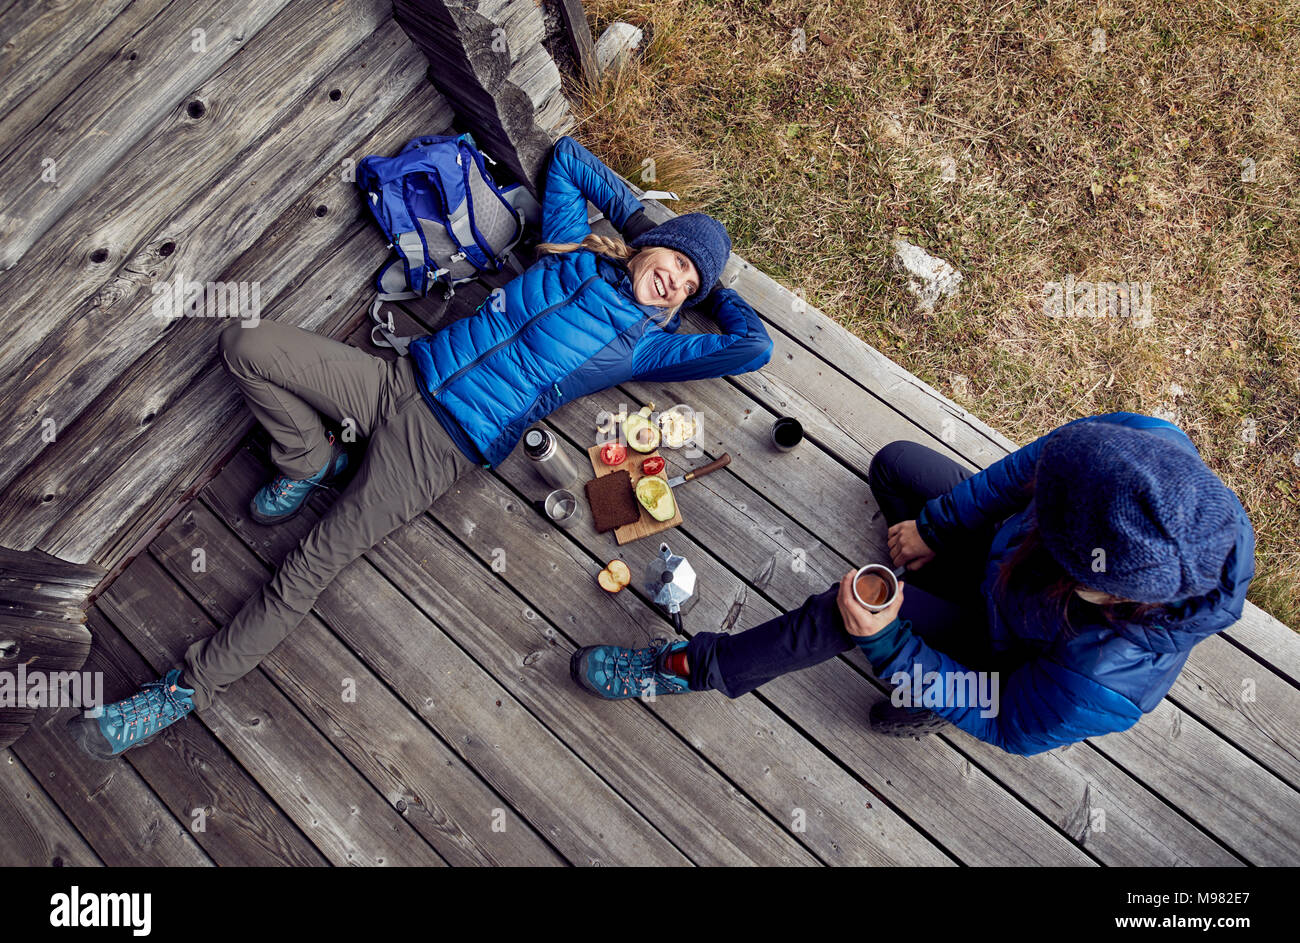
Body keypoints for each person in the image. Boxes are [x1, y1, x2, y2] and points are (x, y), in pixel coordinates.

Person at [74, 136, 774, 758]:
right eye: (676, 261)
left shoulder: (644, 347)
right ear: (651, 243)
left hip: (443, 446)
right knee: (247, 344)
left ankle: (181, 691)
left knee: (308, 565)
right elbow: (567, 158)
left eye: (689, 287)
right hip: (397, 380)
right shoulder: (567, 248)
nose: (676, 282)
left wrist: (714, 288)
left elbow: (753, 345)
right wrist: (650, 233)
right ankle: (310, 461)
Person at [571, 413, 1256, 757]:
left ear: (1105, 591)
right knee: (895, 467)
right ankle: (923, 594)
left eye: (1051, 533)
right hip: (997, 572)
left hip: (1000, 653)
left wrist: (894, 644)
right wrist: (936, 528)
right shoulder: (1136, 450)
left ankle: (696, 667)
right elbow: (1024, 474)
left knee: (844, 611)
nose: (1038, 512)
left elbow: (1006, 719)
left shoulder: (1106, 679)